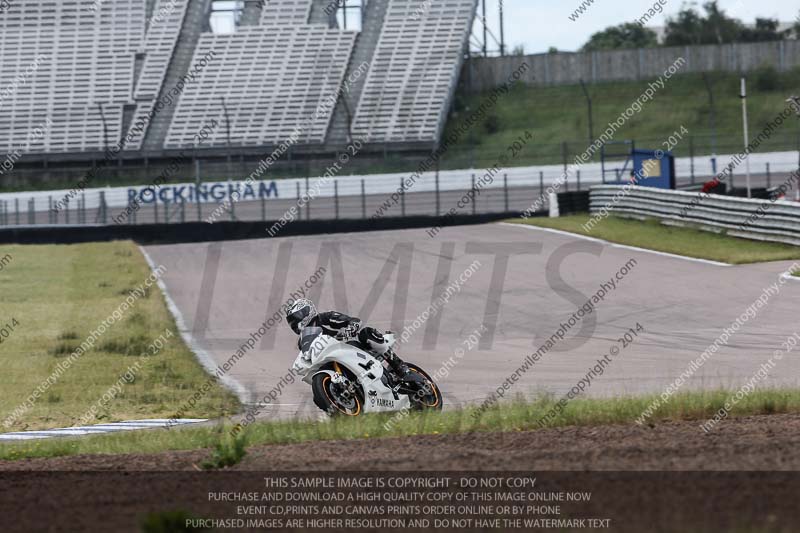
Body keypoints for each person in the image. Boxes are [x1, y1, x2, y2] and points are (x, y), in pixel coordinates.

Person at [285, 298, 410, 378]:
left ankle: (399, 365)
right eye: (292, 321)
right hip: (332, 360)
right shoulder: (303, 341)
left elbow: (354, 321)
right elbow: (307, 354)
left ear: (307, 311)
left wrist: (348, 330)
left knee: (366, 333)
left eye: (296, 317)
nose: (294, 323)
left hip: (351, 346)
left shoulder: (326, 318)